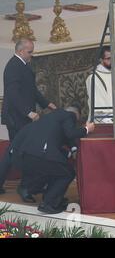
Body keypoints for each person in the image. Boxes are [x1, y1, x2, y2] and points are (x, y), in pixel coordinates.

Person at [10, 106, 94, 214]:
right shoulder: (69, 115)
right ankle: (48, 203)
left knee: (55, 171)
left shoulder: (50, 117)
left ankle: (49, 196)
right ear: (76, 114)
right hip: (39, 153)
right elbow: (71, 133)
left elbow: (62, 137)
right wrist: (87, 129)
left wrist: (73, 149)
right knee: (67, 173)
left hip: (24, 153)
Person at [0, 38, 57, 196]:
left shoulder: (23, 65)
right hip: (16, 118)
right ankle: (26, 186)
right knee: (18, 151)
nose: (32, 54)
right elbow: (13, 95)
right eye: (29, 52)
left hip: (21, 117)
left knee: (18, 150)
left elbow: (31, 90)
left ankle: (27, 185)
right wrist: (29, 112)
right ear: (20, 51)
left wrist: (47, 104)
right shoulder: (13, 67)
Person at [86, 46, 113, 123]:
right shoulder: (93, 78)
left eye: (113, 57)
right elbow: (99, 109)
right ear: (101, 60)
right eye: (108, 58)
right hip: (103, 121)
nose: (112, 60)